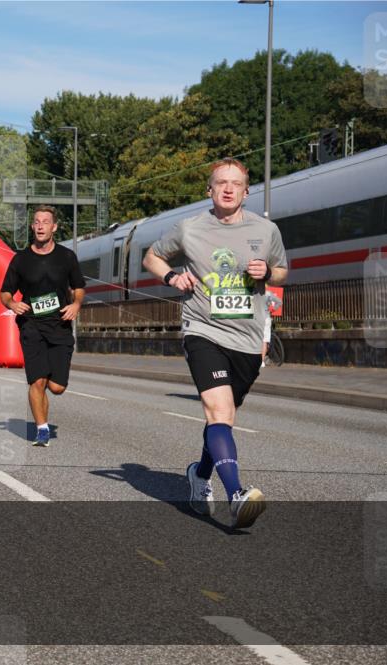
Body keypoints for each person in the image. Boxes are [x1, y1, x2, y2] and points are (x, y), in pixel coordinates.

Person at [143, 157, 288, 529]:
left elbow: (283, 270)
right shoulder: (190, 228)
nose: (227, 188)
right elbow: (152, 257)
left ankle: (199, 474)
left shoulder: (266, 230)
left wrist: (268, 272)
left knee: (224, 418)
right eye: (220, 182)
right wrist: (172, 276)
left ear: (245, 190)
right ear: (209, 190)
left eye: (235, 183)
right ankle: (237, 494)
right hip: (203, 330)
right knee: (218, 411)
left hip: (247, 337)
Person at [0, 205, 85, 448]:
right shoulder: (21, 259)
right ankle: (42, 430)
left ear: (54, 227)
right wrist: (13, 303)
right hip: (31, 326)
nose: (40, 226)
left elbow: (79, 287)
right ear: (32, 227)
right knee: (36, 381)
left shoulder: (67, 257)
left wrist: (76, 304)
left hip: (59, 326)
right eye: (36, 222)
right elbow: (5, 292)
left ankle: (46, 379)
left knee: (56, 387)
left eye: (45, 222)